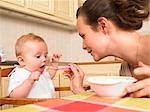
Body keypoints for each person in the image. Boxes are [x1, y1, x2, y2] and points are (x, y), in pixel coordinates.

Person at [65, 0, 150, 97]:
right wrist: (79, 90)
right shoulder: (125, 68)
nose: (83, 46)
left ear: (103, 25)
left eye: (83, 36)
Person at [8, 33, 62, 98]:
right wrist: (29, 81)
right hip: (29, 107)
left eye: (45, 55)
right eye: (38, 56)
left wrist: (54, 64)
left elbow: (49, 75)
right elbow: (14, 96)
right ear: (22, 61)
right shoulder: (18, 74)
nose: (44, 59)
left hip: (48, 105)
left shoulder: (41, 72)